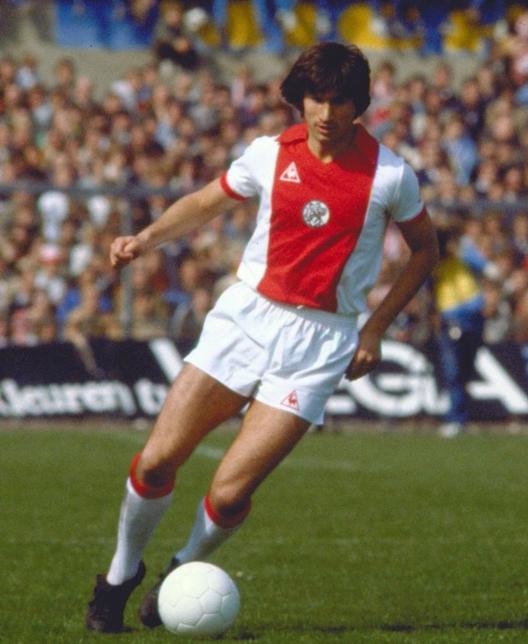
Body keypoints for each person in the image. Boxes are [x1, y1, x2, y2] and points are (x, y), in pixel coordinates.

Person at [85, 41, 438, 633]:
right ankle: (120, 577)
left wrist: (375, 328)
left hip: (319, 343)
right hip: (246, 321)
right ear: (300, 99)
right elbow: (205, 202)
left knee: (228, 495)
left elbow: (427, 250)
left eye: (340, 101)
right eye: (316, 99)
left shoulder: (390, 174)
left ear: (358, 106)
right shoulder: (270, 153)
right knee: (158, 460)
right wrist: (145, 239)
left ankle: (181, 574)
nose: (326, 113)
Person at [431, 219, 498, 438]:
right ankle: (455, 418)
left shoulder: (464, 253)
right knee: (453, 371)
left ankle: (462, 415)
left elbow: (490, 270)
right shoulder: (431, 261)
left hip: (473, 318)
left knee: (467, 369)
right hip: (450, 320)